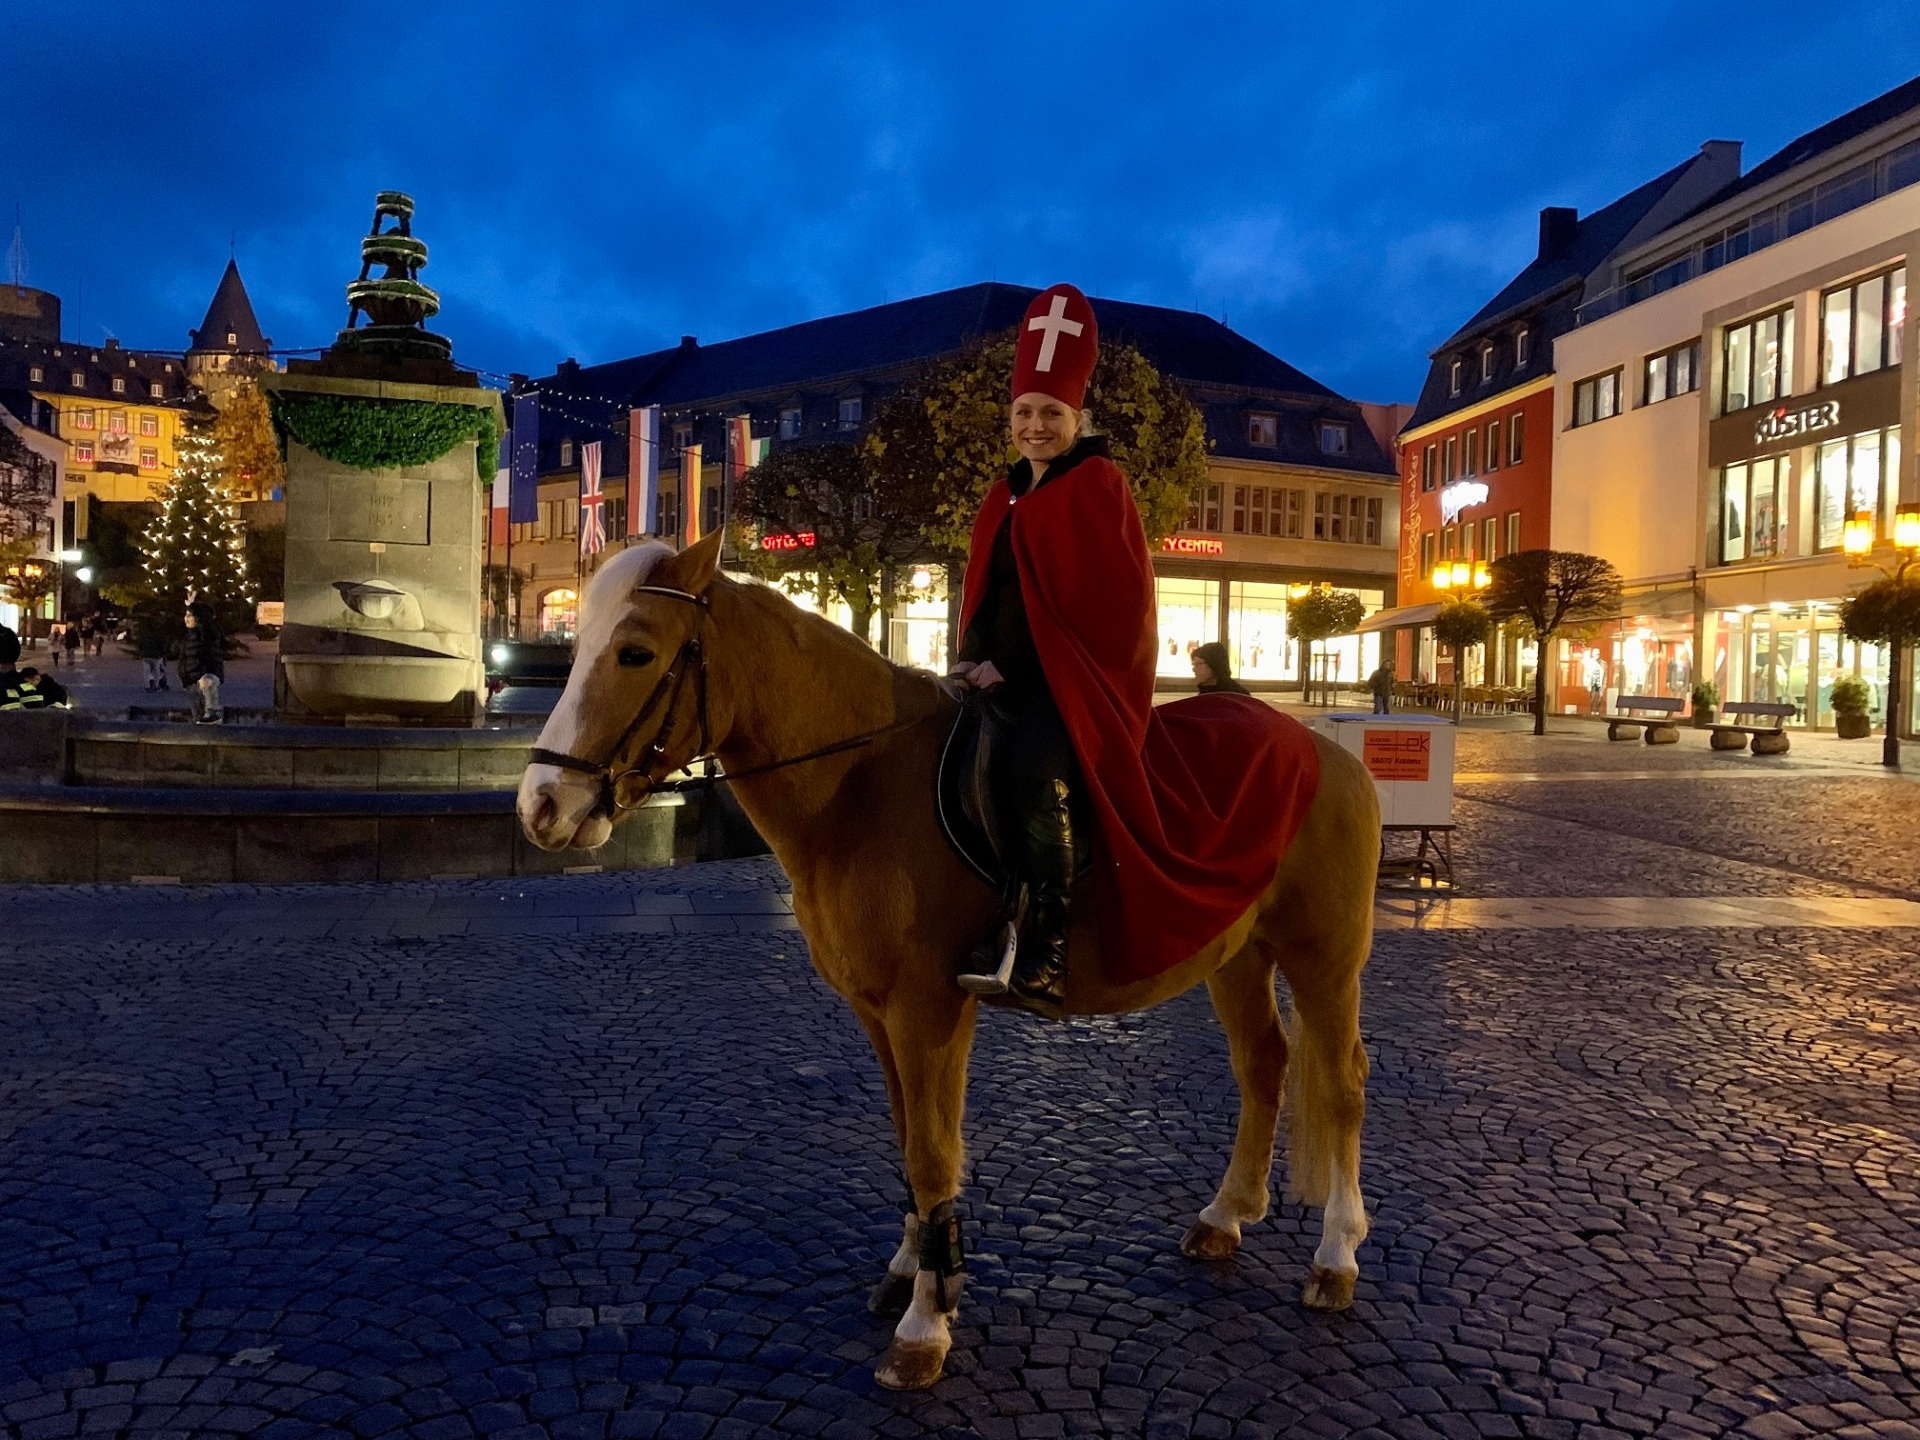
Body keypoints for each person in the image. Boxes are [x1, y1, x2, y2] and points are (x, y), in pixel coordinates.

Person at [947, 283, 1321, 1019]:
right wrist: (971, 656)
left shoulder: (1098, 485)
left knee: (1032, 771)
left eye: (1050, 414)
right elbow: (990, 595)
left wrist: (1015, 668)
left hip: (1071, 690)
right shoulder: (1005, 496)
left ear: (1076, 417)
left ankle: (1045, 952)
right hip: (997, 677)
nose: (1034, 426)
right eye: (1023, 413)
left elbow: (1112, 610)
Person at [179, 601, 226, 724]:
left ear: (199, 618)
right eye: (186, 615)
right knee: (198, 719)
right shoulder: (188, 637)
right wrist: (185, 679)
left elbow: (214, 658)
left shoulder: (209, 635)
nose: (186, 619)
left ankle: (214, 713)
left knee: (208, 714)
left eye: (190, 616)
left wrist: (207, 676)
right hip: (191, 682)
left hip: (204, 680)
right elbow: (184, 659)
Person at [135, 608, 171, 692]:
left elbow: (141, 644)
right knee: (157, 671)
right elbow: (161, 646)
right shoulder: (158, 636)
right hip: (156, 656)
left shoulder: (145, 636)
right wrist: (162, 654)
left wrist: (141, 653)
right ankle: (157, 686)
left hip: (146, 656)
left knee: (146, 672)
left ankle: (147, 687)